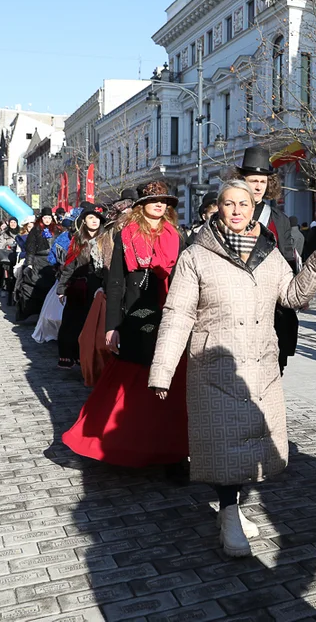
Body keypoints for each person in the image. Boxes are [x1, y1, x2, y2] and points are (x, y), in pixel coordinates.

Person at [148, 180, 316, 557]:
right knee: (223, 445)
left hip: (260, 364)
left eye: (244, 204)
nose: (236, 210)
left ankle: (230, 509)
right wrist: (162, 370)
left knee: (248, 444)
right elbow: (177, 314)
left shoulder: (269, 253)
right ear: (217, 208)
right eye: (229, 204)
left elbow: (292, 296)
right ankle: (230, 514)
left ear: (254, 208)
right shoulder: (196, 256)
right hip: (213, 364)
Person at [62, 182, 188, 466]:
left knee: (172, 384)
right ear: (141, 205)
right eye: (153, 200)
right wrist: (111, 326)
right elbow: (115, 283)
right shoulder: (125, 235)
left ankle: (175, 453)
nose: (160, 205)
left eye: (164, 201)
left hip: (170, 314)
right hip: (133, 315)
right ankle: (122, 445)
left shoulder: (176, 236)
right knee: (130, 384)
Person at [233, 146, 299, 374]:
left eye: (263, 180)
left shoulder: (279, 218)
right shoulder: (228, 215)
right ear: (242, 181)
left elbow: (288, 259)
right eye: (253, 180)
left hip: (272, 309)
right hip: (236, 306)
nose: (259, 186)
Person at [55, 203, 109, 369]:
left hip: (99, 287)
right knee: (72, 322)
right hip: (78, 287)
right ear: (84, 220)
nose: (94, 221)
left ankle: (87, 357)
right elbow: (69, 265)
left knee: (92, 324)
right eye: (90, 218)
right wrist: (62, 288)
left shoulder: (106, 238)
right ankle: (69, 355)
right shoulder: (78, 239)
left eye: (97, 218)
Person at [16, 208, 60, 322]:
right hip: (38, 261)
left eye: (49, 218)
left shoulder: (56, 229)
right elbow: (30, 248)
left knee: (51, 288)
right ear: (41, 218)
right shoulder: (35, 230)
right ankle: (34, 312)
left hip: (52, 262)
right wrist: (29, 264)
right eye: (45, 217)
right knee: (36, 286)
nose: (47, 220)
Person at [0, 218, 20, 305]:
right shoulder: (5, 233)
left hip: (18, 257)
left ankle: (16, 296)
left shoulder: (20, 232)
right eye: (11, 222)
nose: (13, 224)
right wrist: (8, 244)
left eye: (14, 222)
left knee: (17, 277)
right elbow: (1, 245)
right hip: (8, 257)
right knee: (10, 278)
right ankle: (10, 297)